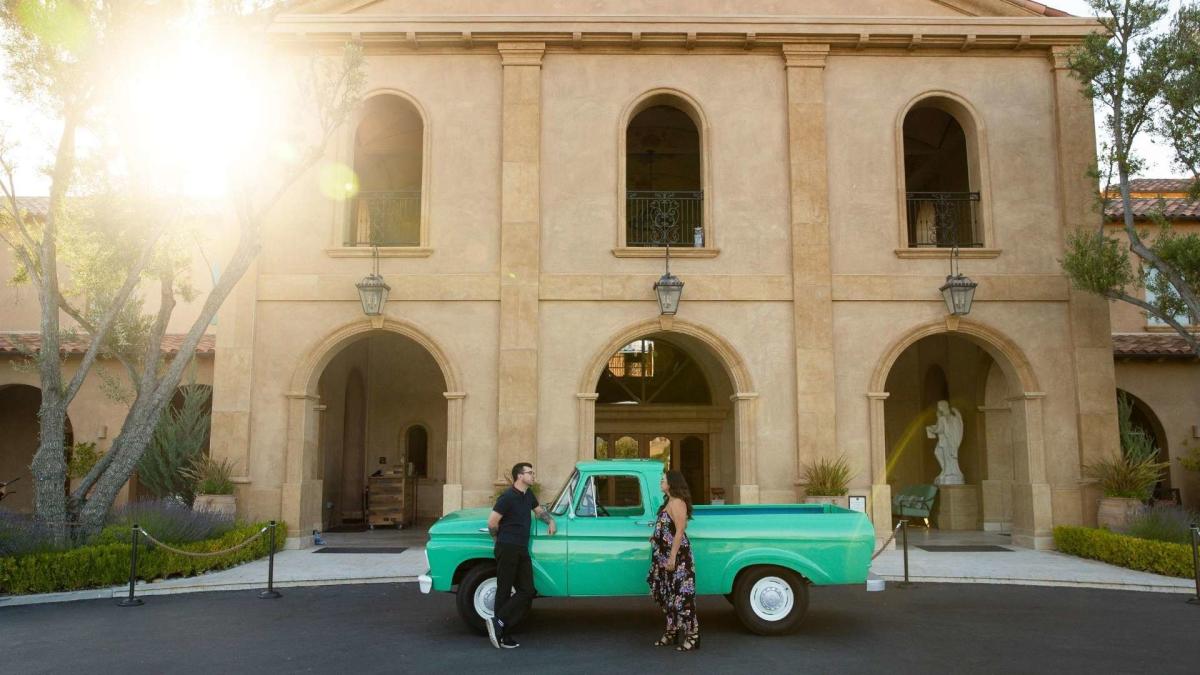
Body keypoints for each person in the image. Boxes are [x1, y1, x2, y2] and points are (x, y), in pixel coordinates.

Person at [485, 462, 556, 649]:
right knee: (504, 589)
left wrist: (550, 521)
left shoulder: (528, 495)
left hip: (521, 548)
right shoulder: (507, 497)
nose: (533, 475)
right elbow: (492, 522)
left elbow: (539, 511)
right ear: (519, 476)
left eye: (533, 472)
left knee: (527, 590)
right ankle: (504, 634)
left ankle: (497, 621)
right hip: (507, 547)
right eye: (530, 473)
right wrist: (497, 542)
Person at [647, 470, 700, 652]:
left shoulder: (678, 502)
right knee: (669, 596)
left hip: (678, 558)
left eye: (664, 479)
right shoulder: (668, 502)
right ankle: (672, 632)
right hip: (664, 556)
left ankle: (693, 635)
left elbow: (679, 531)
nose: (661, 481)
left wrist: (672, 558)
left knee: (682, 597)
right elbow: (666, 527)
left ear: (672, 483)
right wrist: (655, 536)